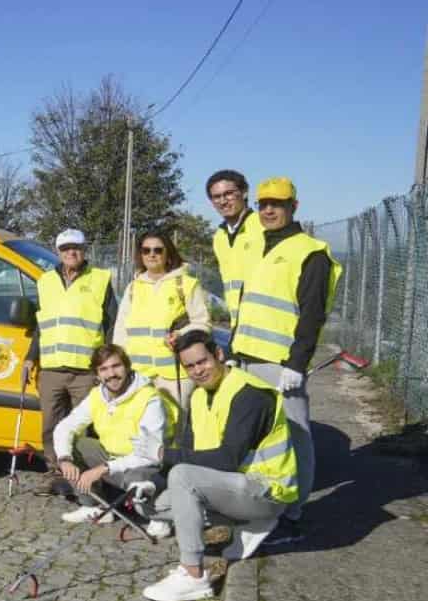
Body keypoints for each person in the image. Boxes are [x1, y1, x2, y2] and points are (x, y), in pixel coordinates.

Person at [142, 330, 299, 601]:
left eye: (202, 361)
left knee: (182, 477)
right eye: (189, 366)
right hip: (230, 487)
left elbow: (226, 460)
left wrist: (163, 454)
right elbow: (190, 453)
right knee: (153, 504)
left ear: (219, 355)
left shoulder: (250, 395)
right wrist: (150, 482)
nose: (197, 371)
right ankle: (247, 524)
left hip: (267, 491)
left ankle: (193, 575)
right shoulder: (199, 397)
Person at [228, 177, 342, 544]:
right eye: (263, 204)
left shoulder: (311, 252)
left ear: (294, 206)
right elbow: (247, 305)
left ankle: (293, 515)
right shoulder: (258, 245)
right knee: (262, 440)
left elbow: (312, 315)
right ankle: (263, 506)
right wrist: (234, 350)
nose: (269, 210)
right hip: (248, 358)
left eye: (277, 203)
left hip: (280, 365)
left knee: (295, 438)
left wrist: (296, 364)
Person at [24, 228, 117, 496]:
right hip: (52, 368)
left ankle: (82, 477)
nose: (71, 253)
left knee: (83, 427)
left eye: (76, 248)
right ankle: (56, 472)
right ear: (58, 252)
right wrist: (31, 358)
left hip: (85, 371)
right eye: (65, 249)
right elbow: (42, 326)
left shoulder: (100, 279)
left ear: (84, 249)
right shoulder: (45, 282)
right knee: (51, 425)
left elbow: (110, 324)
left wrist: (107, 364)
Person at [52, 344, 173, 536]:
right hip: (111, 458)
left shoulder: (149, 398)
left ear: (126, 366)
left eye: (116, 366)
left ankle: (158, 517)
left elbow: (150, 456)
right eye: (104, 369)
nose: (111, 374)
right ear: (97, 374)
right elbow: (64, 427)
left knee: (140, 482)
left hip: (142, 466)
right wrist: (65, 460)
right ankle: (96, 507)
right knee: (74, 445)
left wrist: (104, 469)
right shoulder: (97, 395)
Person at [113, 229, 211, 408]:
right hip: (138, 375)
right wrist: (119, 368)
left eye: (158, 250)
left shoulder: (186, 285)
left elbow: (203, 323)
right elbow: (120, 333)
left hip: (174, 375)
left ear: (168, 254)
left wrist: (181, 334)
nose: (152, 255)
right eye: (146, 250)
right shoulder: (133, 288)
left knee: (172, 432)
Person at [207, 169, 263, 330]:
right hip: (238, 327)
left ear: (244, 193)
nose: (223, 201)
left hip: (267, 327)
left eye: (229, 194)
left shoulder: (263, 227)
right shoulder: (220, 237)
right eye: (216, 197)